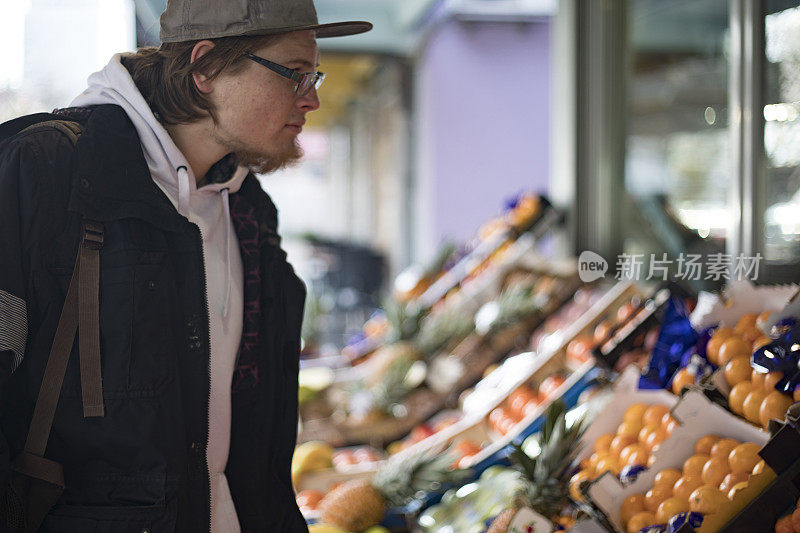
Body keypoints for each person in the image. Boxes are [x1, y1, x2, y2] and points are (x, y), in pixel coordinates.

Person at [0, 1, 371, 531]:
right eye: (295, 74)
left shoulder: (245, 206)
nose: (311, 99)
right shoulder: (46, 173)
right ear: (205, 67)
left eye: (314, 75)